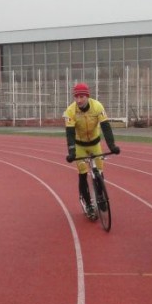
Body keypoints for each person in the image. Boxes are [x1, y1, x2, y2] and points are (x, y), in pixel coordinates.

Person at [64, 82, 121, 216]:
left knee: (99, 173)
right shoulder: (70, 111)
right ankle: (88, 204)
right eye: (76, 97)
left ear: (87, 96)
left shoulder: (97, 106)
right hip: (80, 146)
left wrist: (112, 146)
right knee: (83, 174)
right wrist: (72, 152)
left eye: (82, 97)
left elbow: (106, 127)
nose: (79, 100)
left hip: (95, 144)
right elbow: (70, 133)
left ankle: (100, 197)